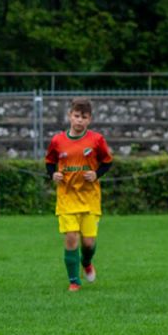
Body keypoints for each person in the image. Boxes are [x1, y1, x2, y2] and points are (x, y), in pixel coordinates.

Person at [45, 97, 113, 292]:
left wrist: (96, 174)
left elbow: (108, 162)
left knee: (88, 242)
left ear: (89, 119)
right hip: (67, 198)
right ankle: (74, 281)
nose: (79, 120)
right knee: (71, 238)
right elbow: (49, 162)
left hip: (90, 198)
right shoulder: (57, 140)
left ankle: (87, 262)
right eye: (76, 116)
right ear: (70, 116)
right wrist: (53, 174)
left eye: (83, 117)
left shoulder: (96, 140)